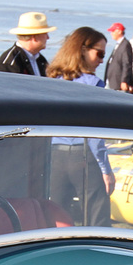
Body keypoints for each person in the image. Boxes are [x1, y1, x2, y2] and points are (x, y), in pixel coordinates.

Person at [46, 27, 115, 225]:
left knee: (54, 218)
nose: (102, 60)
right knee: (97, 219)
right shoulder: (94, 84)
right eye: (100, 53)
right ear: (83, 50)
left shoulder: (52, 80)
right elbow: (95, 131)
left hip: (54, 155)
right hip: (83, 156)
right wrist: (105, 169)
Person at [0, 12, 53, 76]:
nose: (48, 37)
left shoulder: (40, 60)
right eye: (45, 34)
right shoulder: (10, 63)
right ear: (34, 37)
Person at [104, 22, 133, 92]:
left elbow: (127, 64)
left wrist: (124, 81)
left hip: (118, 82)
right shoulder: (119, 44)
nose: (111, 33)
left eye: (113, 31)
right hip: (112, 81)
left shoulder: (125, 45)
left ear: (119, 31)